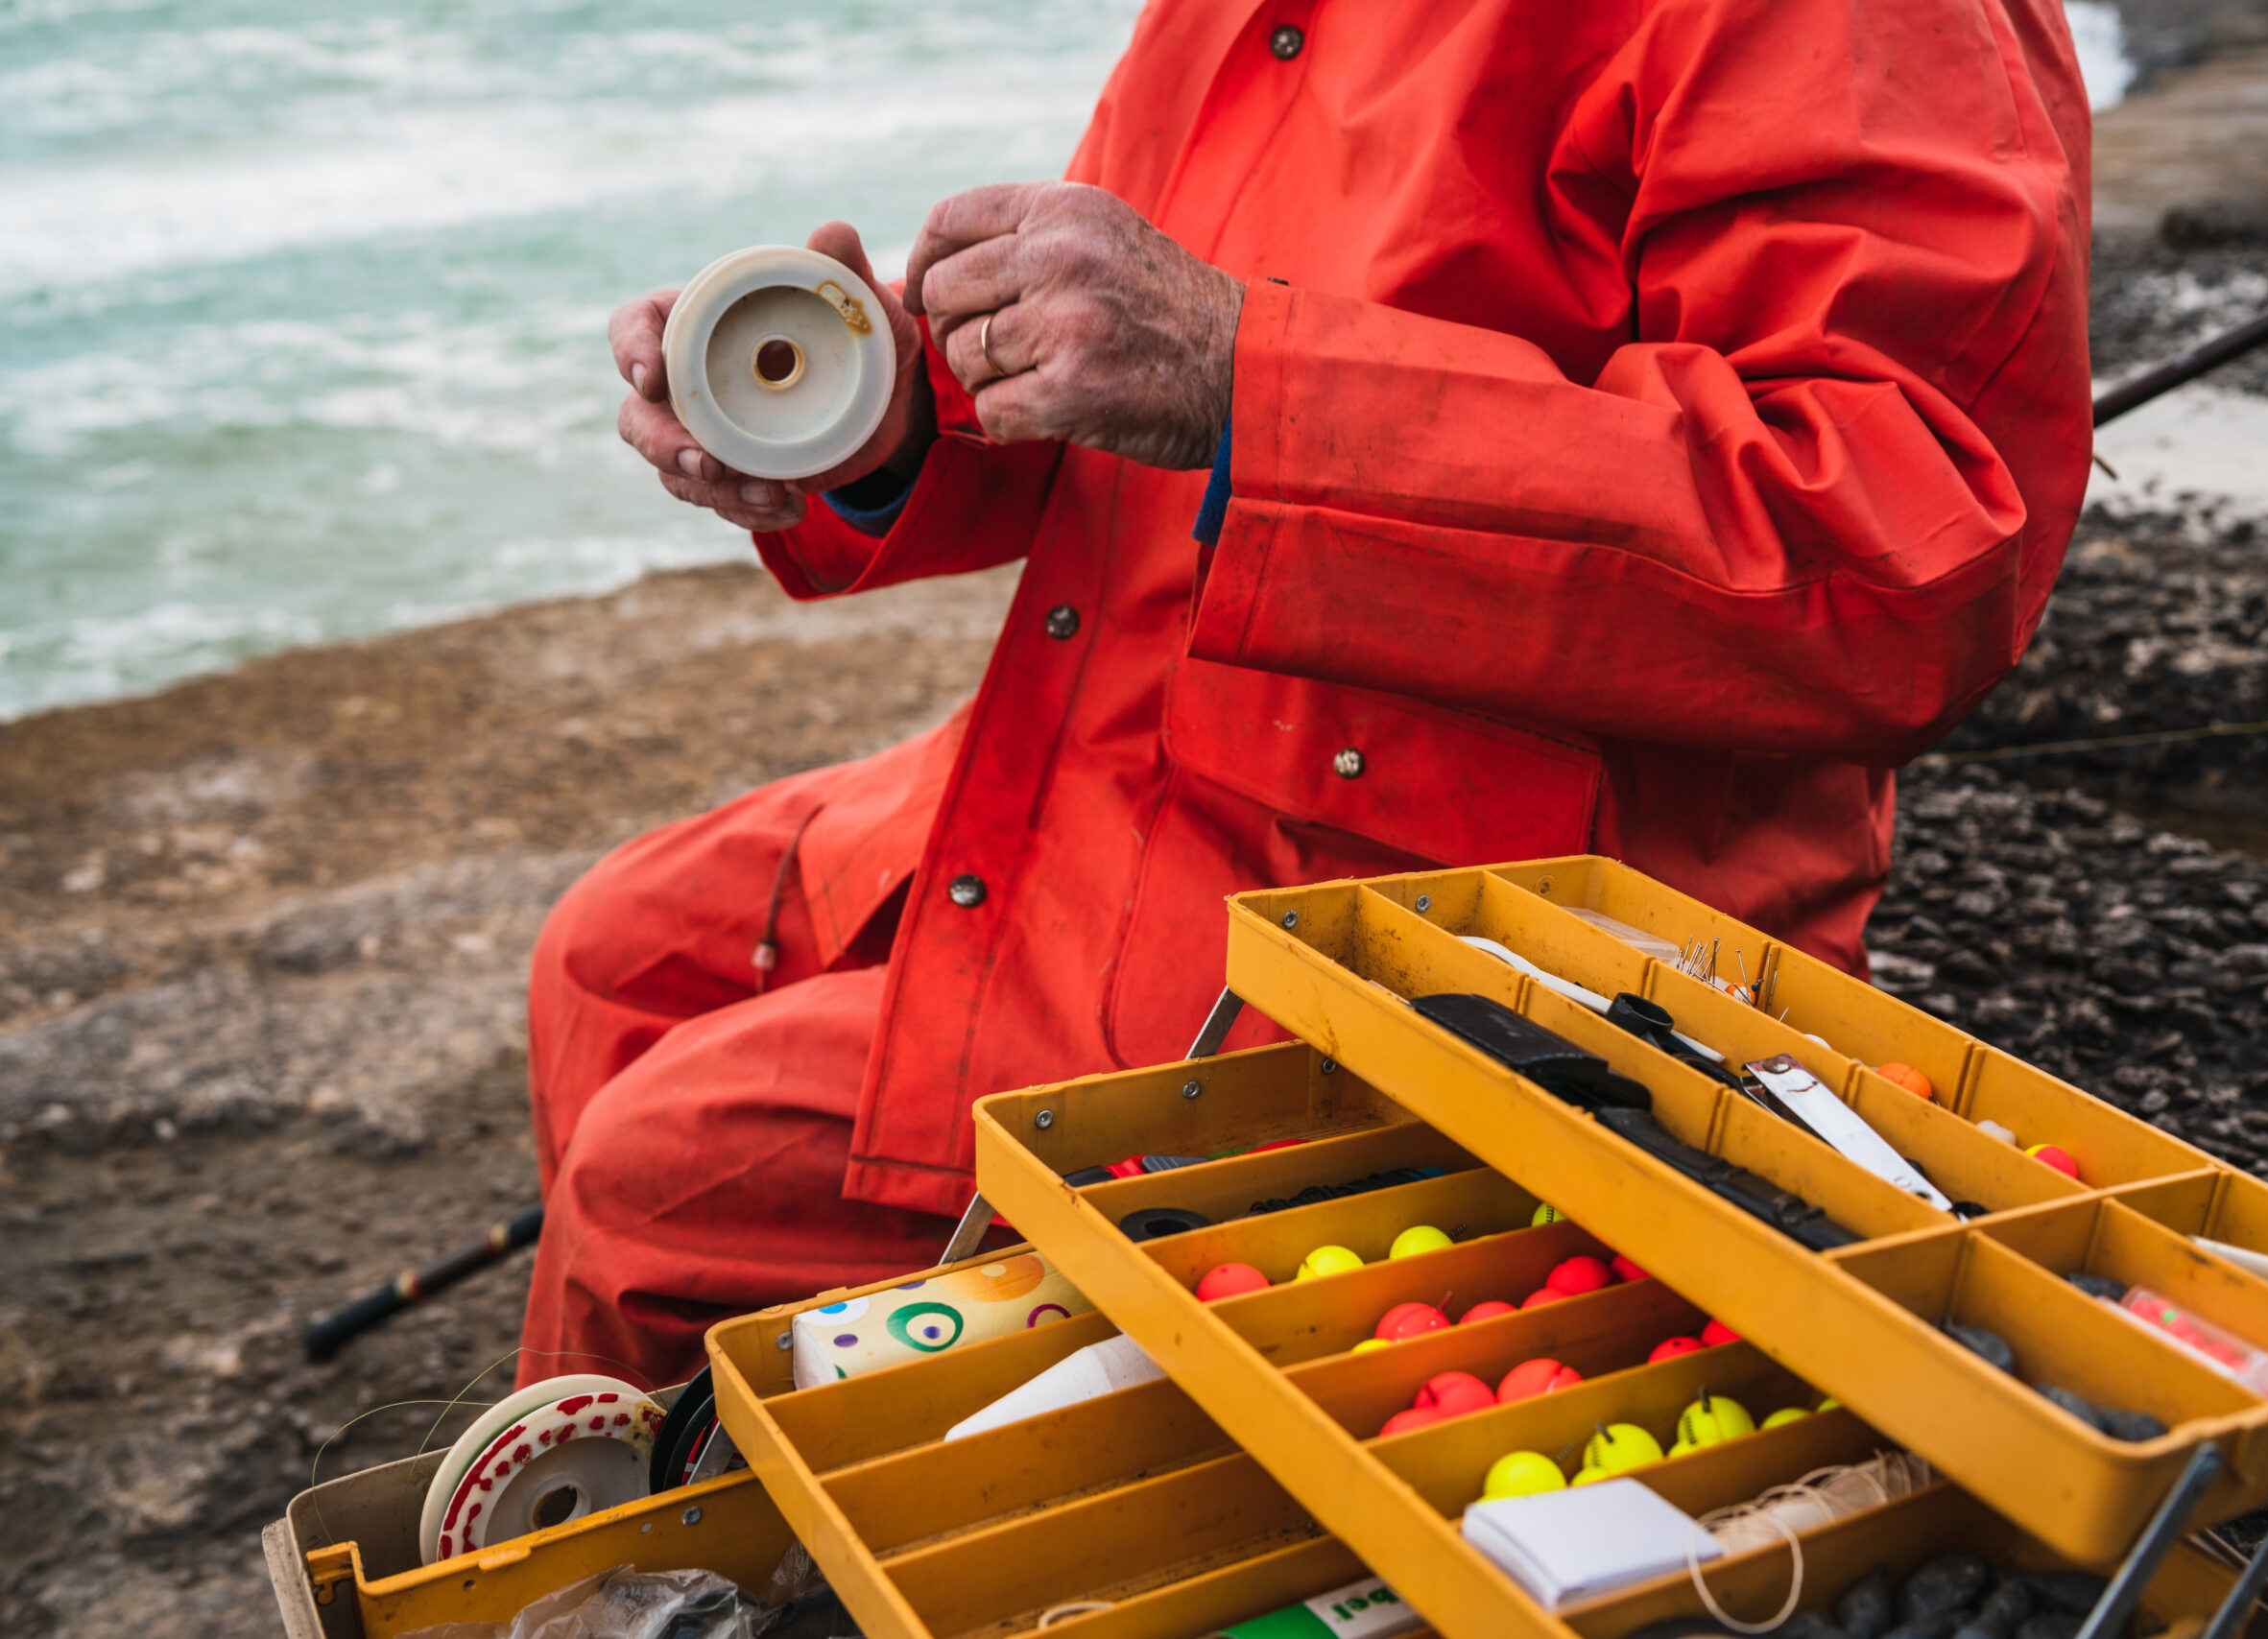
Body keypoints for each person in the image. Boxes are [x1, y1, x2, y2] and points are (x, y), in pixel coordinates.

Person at [522, 0, 2094, 1388]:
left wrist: (1243, 377)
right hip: (1123, 753)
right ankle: (824, 1474)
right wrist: (871, 426)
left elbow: (1902, 553)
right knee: (613, 953)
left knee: (658, 1192)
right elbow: (1120, 373)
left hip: (1463, 914)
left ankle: (712, 1546)